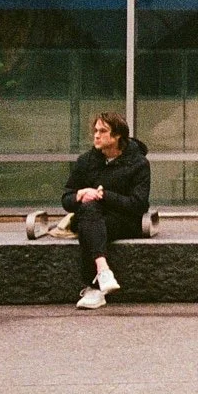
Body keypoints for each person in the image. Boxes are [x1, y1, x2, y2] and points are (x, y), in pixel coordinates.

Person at [58, 113, 150, 310]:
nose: (96, 136)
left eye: (102, 131)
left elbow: (139, 204)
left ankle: (93, 288)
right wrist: (80, 195)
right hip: (91, 218)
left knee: (88, 223)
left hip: (124, 221)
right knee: (89, 214)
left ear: (117, 136)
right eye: (95, 131)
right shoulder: (86, 161)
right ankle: (103, 270)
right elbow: (66, 199)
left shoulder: (138, 163)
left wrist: (105, 195)